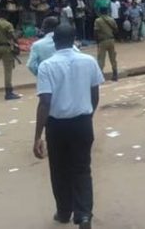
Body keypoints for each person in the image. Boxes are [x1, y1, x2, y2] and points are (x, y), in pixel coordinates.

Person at [33, 24, 104, 229]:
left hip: (57, 126)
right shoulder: (89, 61)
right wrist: (88, 115)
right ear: (74, 40)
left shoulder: (47, 66)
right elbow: (95, 94)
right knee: (82, 169)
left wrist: (38, 136)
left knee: (59, 170)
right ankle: (83, 216)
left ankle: (64, 212)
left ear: (54, 42)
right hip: (82, 122)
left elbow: (45, 102)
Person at [0, 13, 20, 100]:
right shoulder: (8, 24)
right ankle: (8, 93)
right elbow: (12, 36)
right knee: (8, 71)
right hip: (6, 48)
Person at [94, 6, 118, 81]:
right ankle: (115, 74)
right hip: (111, 40)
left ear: (100, 12)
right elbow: (116, 30)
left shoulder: (98, 20)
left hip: (102, 41)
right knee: (113, 58)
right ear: (107, 12)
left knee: (101, 59)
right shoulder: (111, 19)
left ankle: (100, 76)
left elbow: (96, 31)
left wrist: (97, 41)